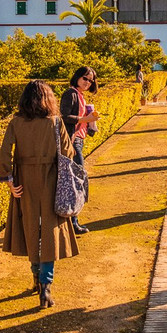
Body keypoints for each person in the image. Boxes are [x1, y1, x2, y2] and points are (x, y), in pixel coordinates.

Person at [0, 80, 78, 308]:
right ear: (49, 99)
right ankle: (46, 286)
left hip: (24, 181)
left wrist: (9, 181)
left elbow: (5, 153)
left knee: (31, 229)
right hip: (51, 181)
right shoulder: (54, 122)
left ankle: (35, 278)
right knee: (50, 233)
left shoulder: (16, 123)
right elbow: (68, 152)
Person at [60, 66, 100, 235]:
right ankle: (73, 222)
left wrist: (90, 124)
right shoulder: (70, 94)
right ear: (77, 77)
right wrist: (86, 118)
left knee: (76, 180)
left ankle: (73, 221)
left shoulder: (79, 95)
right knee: (76, 181)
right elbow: (64, 116)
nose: (87, 82)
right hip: (72, 141)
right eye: (85, 78)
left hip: (78, 140)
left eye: (90, 80)